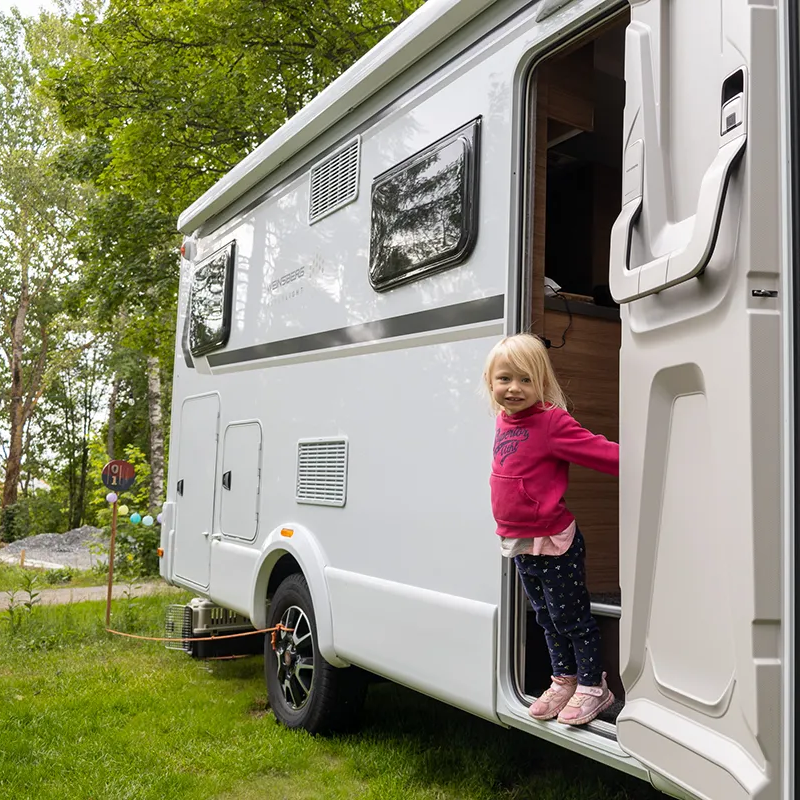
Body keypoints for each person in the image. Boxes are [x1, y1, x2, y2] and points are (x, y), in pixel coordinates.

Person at [483, 333, 619, 726]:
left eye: (526, 380)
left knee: (571, 617)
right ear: (490, 382)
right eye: (505, 379)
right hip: (520, 542)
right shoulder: (503, 422)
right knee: (544, 615)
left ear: (542, 384)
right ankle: (564, 680)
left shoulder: (550, 422)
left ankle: (594, 686)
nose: (514, 388)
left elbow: (598, 450)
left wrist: (643, 457)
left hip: (555, 542)